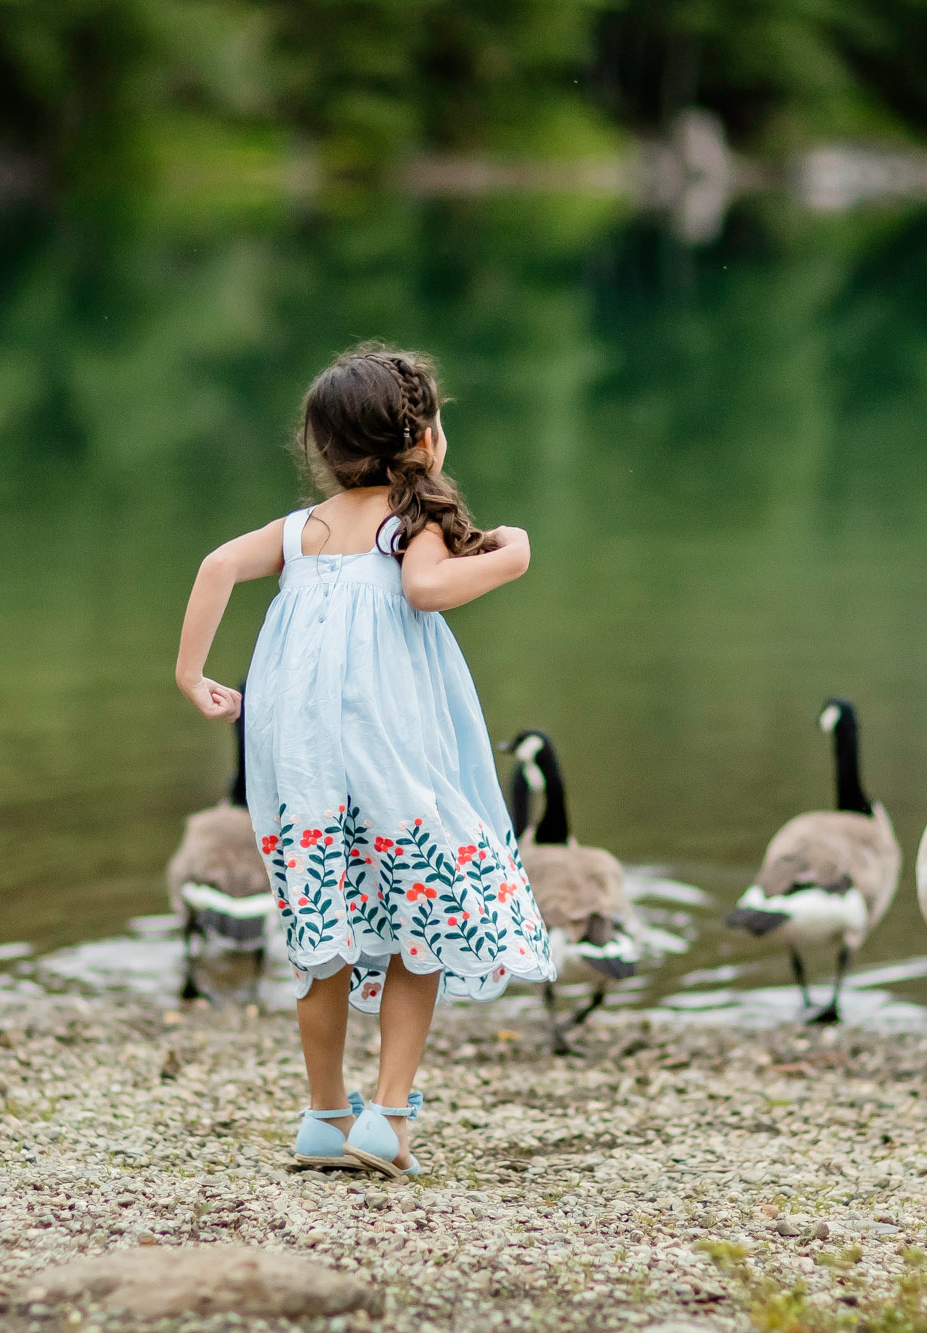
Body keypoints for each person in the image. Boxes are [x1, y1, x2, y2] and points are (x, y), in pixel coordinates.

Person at [174, 342, 553, 1176]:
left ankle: (321, 1117)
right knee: (419, 926)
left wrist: (192, 672)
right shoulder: (409, 526)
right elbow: (424, 590)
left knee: (327, 937)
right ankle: (385, 1117)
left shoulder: (302, 532)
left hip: (303, 765)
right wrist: (510, 555)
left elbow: (215, 567)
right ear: (420, 437)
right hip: (389, 750)